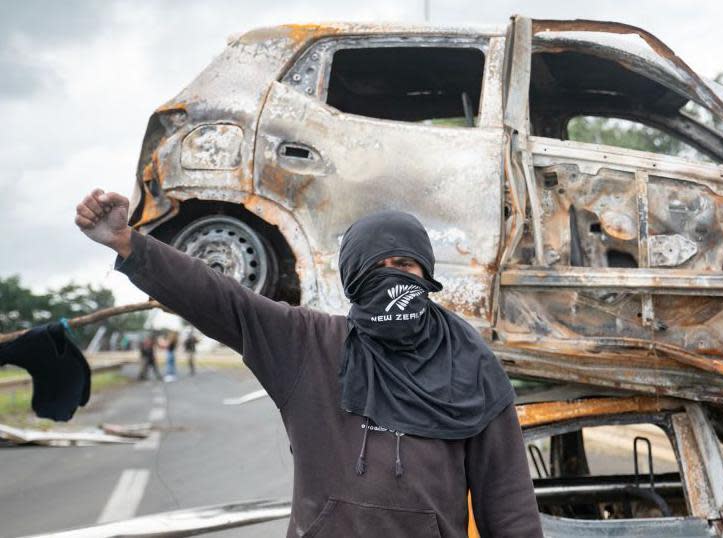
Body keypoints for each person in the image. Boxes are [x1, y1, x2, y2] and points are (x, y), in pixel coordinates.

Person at [75, 188, 544, 538]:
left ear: (426, 274)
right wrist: (131, 245)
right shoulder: (310, 345)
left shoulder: (472, 369)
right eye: (375, 270)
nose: (393, 279)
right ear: (353, 282)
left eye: (405, 266)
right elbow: (221, 299)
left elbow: (509, 505)